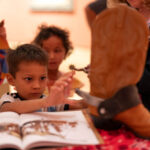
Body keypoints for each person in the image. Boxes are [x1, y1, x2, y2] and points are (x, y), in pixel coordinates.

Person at [0, 44, 75, 114]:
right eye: (28, 79)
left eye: (42, 78)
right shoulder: (9, 99)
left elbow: (79, 104)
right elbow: (6, 108)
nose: (37, 86)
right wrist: (45, 103)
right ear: (11, 80)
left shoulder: (49, 101)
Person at [32, 25, 84, 95]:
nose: (52, 56)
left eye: (57, 50)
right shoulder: (33, 82)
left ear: (65, 52)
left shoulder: (70, 81)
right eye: (46, 51)